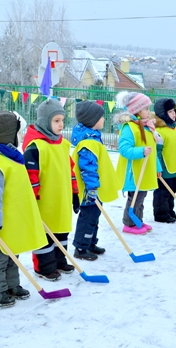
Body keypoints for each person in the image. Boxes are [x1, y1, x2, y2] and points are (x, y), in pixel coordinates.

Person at [0, 111, 48, 307]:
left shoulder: (12, 157)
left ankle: (11, 284)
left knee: (13, 253)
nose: (21, 137)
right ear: (8, 135)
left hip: (13, 219)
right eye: (19, 133)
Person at [23, 99, 80, 281]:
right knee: (45, 236)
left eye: (62, 120)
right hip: (44, 201)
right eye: (56, 121)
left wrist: (75, 192)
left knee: (61, 231)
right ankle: (44, 266)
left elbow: (70, 170)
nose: (61, 125)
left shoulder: (63, 145)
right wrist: (31, 199)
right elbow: (31, 176)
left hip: (61, 199)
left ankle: (59, 260)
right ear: (45, 121)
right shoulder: (35, 147)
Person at [71, 101, 119, 260]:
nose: (104, 119)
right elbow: (88, 168)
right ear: (92, 120)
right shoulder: (88, 143)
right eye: (101, 117)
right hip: (89, 190)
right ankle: (81, 248)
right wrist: (91, 188)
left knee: (94, 217)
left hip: (95, 189)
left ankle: (90, 242)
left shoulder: (93, 138)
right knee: (88, 218)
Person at [113, 91, 162, 234]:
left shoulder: (146, 127)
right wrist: (141, 151)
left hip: (145, 171)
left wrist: (157, 167)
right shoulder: (129, 127)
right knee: (134, 198)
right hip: (134, 172)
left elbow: (152, 150)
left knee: (141, 197)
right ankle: (129, 223)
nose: (149, 111)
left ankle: (137, 220)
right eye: (146, 108)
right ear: (137, 110)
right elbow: (124, 149)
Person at [153, 98, 176, 223]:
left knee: (172, 190)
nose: (173, 113)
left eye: (174, 110)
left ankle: (169, 210)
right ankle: (161, 214)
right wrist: (157, 168)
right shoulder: (159, 132)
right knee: (163, 191)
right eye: (169, 111)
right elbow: (157, 151)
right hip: (164, 167)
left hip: (174, 167)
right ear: (163, 114)